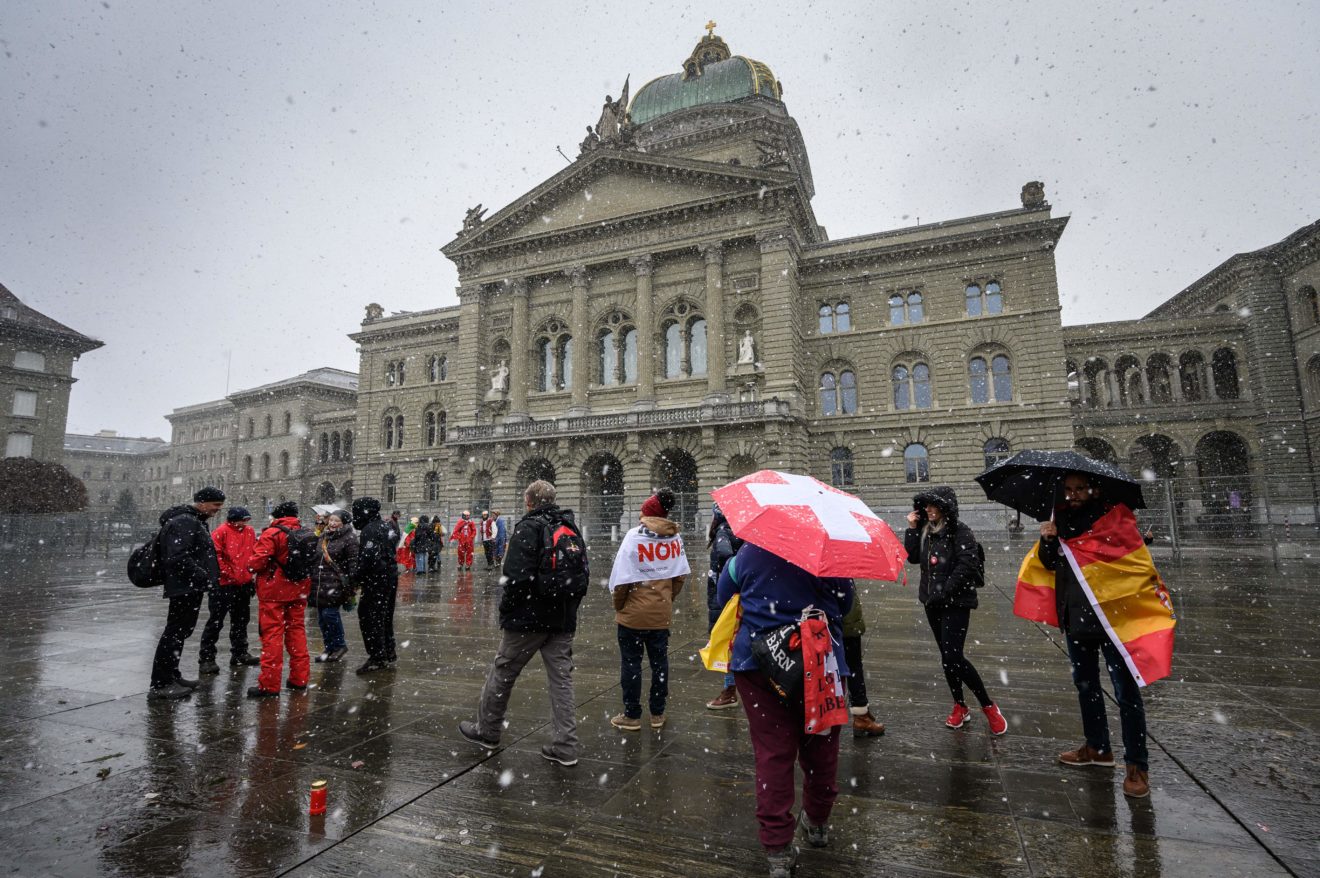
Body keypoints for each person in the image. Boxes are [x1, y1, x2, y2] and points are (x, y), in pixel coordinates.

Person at [716, 540, 854, 877]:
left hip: (759, 662)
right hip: (822, 662)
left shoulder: (746, 554)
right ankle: (818, 822)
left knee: (773, 754)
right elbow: (846, 604)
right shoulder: (829, 553)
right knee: (822, 746)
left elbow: (724, 598)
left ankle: (777, 847)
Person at [1040, 471, 1152, 798]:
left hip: (1114, 619)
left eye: (1079, 489)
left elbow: (1132, 563)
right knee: (1086, 686)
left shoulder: (1112, 519)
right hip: (1076, 617)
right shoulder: (1059, 519)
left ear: (1093, 490)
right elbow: (1050, 564)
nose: (1073, 495)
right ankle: (1098, 748)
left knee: (1126, 693)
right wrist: (1048, 539)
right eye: (1068, 489)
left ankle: (1137, 766)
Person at [459, 480, 584, 767]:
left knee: (503, 672)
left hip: (529, 619)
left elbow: (515, 577)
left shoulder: (529, 527)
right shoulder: (570, 526)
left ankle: (487, 731)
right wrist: (567, 609)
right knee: (561, 680)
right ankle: (565, 746)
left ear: (529, 502)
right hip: (562, 617)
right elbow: (582, 575)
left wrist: (508, 611)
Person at [905, 487, 1008, 736]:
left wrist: (944, 591)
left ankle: (988, 706)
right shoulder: (926, 531)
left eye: (933, 505)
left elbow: (967, 564)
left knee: (953, 657)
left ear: (945, 507)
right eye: (925, 505)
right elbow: (912, 558)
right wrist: (911, 528)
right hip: (932, 603)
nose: (928, 509)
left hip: (956, 603)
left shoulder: (960, 531)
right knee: (947, 658)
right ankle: (960, 705)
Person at [608, 489, 687, 731]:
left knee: (631, 664)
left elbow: (621, 580)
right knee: (660, 664)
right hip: (660, 614)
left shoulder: (633, 536)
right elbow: (680, 576)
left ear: (646, 514)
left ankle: (632, 715)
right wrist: (665, 599)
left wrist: (620, 605)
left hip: (632, 615)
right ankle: (657, 714)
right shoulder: (674, 537)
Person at [148, 487, 225, 700]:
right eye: (215, 505)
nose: (218, 510)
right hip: (185, 586)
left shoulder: (193, 520)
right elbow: (178, 557)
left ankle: (172, 675)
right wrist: (202, 575)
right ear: (202, 502)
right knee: (174, 633)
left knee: (179, 632)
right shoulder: (185, 521)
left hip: (189, 586)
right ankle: (161, 683)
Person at [246, 501, 312, 698]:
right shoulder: (305, 532)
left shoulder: (272, 533)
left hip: (274, 591)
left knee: (272, 635)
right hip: (299, 588)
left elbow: (257, 562)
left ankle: (269, 684)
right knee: (297, 631)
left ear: (276, 516)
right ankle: (299, 679)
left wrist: (251, 563)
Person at [198, 506, 261, 675]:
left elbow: (253, 552)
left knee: (241, 620)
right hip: (223, 584)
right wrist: (229, 573)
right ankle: (207, 658)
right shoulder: (221, 532)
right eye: (241, 520)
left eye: (246, 520)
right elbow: (216, 556)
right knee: (216, 621)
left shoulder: (249, 531)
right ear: (233, 520)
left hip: (243, 584)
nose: (244, 523)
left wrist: (249, 573)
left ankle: (240, 653)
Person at [352, 496, 400, 674]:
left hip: (377, 579)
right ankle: (388, 650)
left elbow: (368, 558)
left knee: (370, 616)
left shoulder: (370, 529)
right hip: (389, 576)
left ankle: (377, 655)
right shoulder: (385, 525)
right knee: (385, 615)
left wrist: (356, 577)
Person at [705, 501, 742, 710]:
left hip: (725, 597)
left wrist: (730, 575)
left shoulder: (722, 531)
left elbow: (725, 554)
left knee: (726, 642)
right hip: (737, 595)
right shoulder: (739, 530)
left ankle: (730, 690)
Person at [310, 509, 358, 663]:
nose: (332, 523)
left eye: (336, 521)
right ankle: (329, 648)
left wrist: (352, 583)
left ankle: (339, 645)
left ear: (343, 523)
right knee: (322, 619)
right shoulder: (323, 536)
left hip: (336, 583)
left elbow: (353, 562)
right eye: (331, 520)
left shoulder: (349, 538)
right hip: (320, 582)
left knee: (330, 615)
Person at [841, 597, 886, 737]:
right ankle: (861, 716)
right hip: (843, 620)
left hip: (821, 621)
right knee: (853, 665)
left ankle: (860, 714)